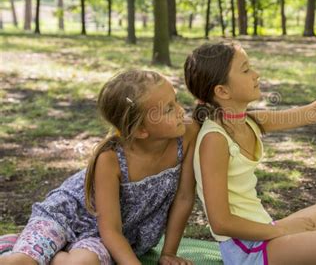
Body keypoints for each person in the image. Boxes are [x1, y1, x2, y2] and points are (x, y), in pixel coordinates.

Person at [184, 42, 316, 265]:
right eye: (245, 70)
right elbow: (221, 223)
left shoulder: (250, 121)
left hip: (265, 235)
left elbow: (315, 111)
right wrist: (282, 230)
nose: (256, 74)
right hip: (247, 250)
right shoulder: (214, 139)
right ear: (222, 91)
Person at [0, 70, 197, 265]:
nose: (181, 110)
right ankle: (16, 249)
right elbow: (110, 227)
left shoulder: (186, 136)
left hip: (108, 238)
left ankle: (47, 252)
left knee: (81, 263)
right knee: (21, 262)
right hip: (64, 217)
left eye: (176, 100)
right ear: (141, 130)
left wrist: (169, 253)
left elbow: (184, 197)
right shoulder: (110, 158)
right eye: (169, 108)